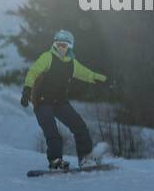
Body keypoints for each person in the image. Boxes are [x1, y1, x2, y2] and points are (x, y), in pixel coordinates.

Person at [21, 29, 108, 170]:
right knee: (52, 132)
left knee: (80, 127)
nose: (61, 48)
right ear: (55, 45)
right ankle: (56, 161)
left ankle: (85, 159)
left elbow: (87, 74)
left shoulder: (72, 63)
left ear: (69, 47)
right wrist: (27, 89)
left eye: (64, 45)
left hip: (60, 102)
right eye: (59, 45)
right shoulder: (47, 57)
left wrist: (104, 79)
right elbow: (33, 72)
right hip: (42, 102)